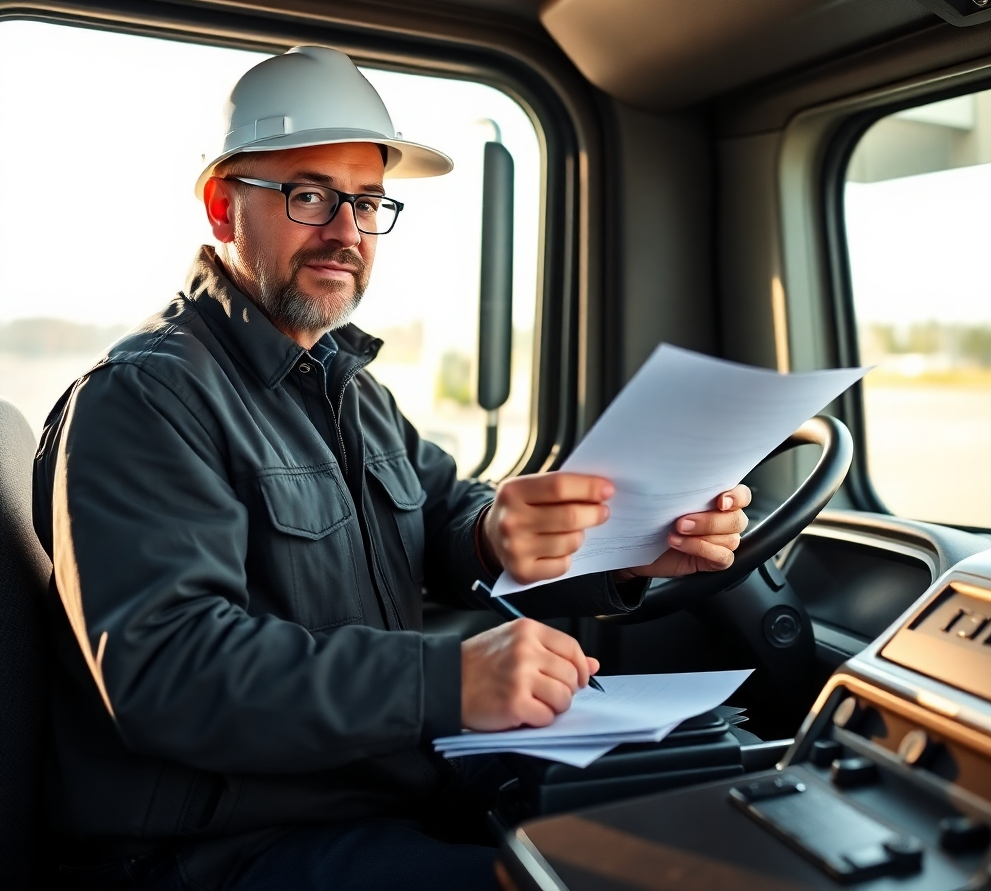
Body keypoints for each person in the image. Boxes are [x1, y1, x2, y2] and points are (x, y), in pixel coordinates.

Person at [33, 46, 751, 891]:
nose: (346, 232)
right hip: (222, 847)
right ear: (224, 208)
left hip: (375, 779)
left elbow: (450, 523)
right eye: (310, 196)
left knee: (705, 814)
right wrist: (448, 680)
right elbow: (171, 671)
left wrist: (610, 544)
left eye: (367, 202)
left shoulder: (346, 387)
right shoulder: (144, 399)